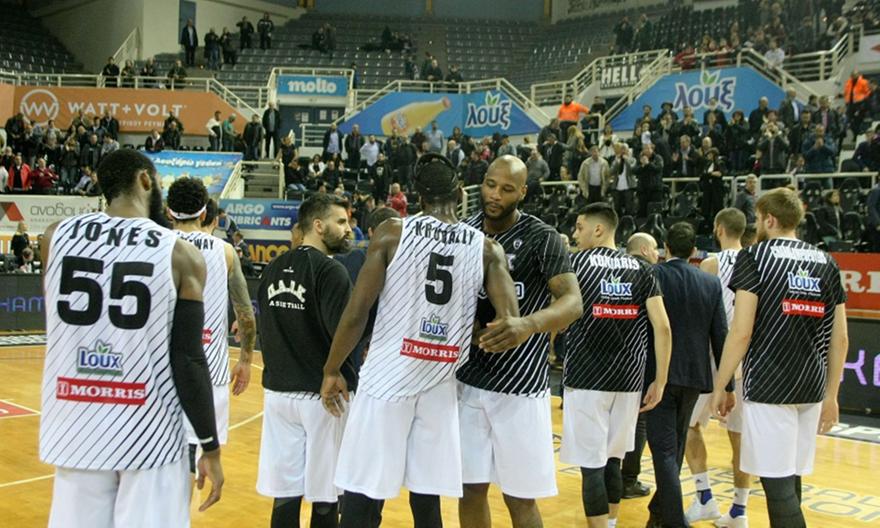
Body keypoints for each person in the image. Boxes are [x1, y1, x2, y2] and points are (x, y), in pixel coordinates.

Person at [320, 154, 520, 527]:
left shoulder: (392, 233)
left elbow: (357, 312)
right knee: (427, 499)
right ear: (460, 194)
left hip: (387, 378)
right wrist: (476, 332)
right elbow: (510, 324)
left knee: (363, 489)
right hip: (439, 383)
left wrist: (333, 369)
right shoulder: (486, 248)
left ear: (418, 197)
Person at [38, 149, 223, 527]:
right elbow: (188, 358)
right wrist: (210, 445)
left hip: (75, 429)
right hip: (149, 433)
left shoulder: (55, 237)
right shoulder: (181, 255)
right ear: (144, 180)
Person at [458, 155, 583, 528]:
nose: (495, 195)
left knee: (520, 498)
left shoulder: (541, 237)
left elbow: (573, 302)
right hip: (467, 382)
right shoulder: (464, 232)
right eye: (490, 185)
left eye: (507, 189)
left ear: (523, 192)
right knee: (469, 490)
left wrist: (527, 325)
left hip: (520, 387)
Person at [711, 188, 848, 527]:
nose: (757, 225)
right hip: (811, 387)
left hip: (770, 386)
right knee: (791, 478)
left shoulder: (754, 257)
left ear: (769, 220)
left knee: (777, 486)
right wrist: (832, 395)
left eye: (758, 219)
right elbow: (840, 338)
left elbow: (741, 332)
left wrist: (721, 384)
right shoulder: (826, 261)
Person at [562, 203, 671, 528]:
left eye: (579, 227)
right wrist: (660, 380)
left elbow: (557, 316)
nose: (575, 234)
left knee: (591, 467)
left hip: (586, 379)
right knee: (613, 461)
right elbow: (663, 327)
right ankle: (610, 523)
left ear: (598, 229)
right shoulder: (643, 269)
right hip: (628, 381)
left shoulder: (575, 264)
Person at [256, 194, 353, 528]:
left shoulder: (272, 268)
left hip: (278, 395)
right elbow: (343, 335)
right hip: (322, 397)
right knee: (325, 497)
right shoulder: (331, 271)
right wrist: (341, 375)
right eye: (341, 222)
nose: (348, 229)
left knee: (285, 494)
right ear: (318, 225)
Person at [167, 180, 256, 474]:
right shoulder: (226, 251)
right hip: (209, 368)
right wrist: (245, 360)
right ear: (205, 213)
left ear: (168, 211)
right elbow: (245, 314)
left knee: (163, 453)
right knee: (198, 453)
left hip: (162, 364)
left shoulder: (156, 244)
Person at [645, 222, 729, 528]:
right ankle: (658, 514)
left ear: (665, 247)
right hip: (695, 376)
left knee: (665, 452)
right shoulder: (710, 283)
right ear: (694, 251)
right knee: (676, 446)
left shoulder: (652, 275)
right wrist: (727, 386)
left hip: (658, 375)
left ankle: (673, 521)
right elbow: (721, 335)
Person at [684, 208, 752, 527]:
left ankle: (705, 497)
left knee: (689, 425)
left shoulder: (712, 264)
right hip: (748, 357)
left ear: (718, 228)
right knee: (740, 437)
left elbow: (701, 315)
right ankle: (739, 511)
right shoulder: (757, 263)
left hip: (715, 355)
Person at [619, 232, 661, 500]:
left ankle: (608, 477)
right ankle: (628, 479)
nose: (657, 254)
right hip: (642, 358)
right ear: (644, 250)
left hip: (610, 360)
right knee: (640, 420)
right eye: (655, 248)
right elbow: (661, 326)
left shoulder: (615, 269)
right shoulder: (650, 274)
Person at [610, 143, 637, 218]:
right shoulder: (616, 160)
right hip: (617, 187)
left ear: (628, 150)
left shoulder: (632, 160)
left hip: (628, 187)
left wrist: (626, 160)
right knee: (617, 207)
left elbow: (632, 169)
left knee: (629, 207)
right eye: (622, 149)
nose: (623, 151)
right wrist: (617, 162)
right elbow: (611, 171)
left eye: (624, 149)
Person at [843, 69, 871, 140]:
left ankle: (858, 135)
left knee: (857, 121)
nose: (853, 76)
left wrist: (864, 103)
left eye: (854, 74)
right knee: (848, 121)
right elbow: (846, 92)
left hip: (859, 104)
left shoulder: (863, 82)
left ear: (858, 75)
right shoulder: (848, 82)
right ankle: (856, 133)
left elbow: (867, 92)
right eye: (852, 75)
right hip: (850, 104)